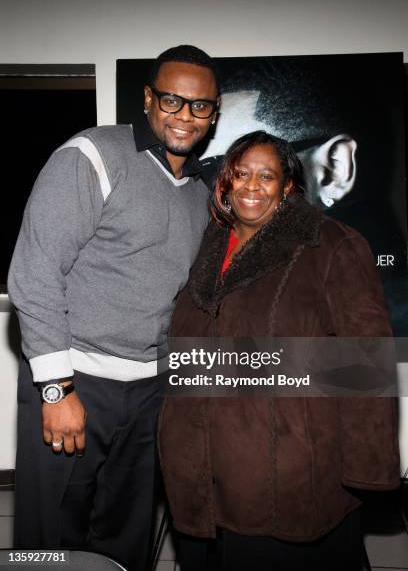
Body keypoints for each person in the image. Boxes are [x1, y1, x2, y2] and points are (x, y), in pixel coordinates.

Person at [7, 44, 220, 571]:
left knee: (126, 534)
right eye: (173, 101)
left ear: (214, 115)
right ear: (148, 99)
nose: (185, 117)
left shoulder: (199, 192)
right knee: (49, 539)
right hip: (75, 382)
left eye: (200, 106)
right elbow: (34, 274)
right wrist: (56, 389)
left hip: (150, 392)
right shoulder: (92, 155)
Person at [158, 130, 400, 571]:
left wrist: (369, 469)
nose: (251, 187)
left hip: (288, 468)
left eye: (266, 176)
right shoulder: (208, 243)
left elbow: (364, 362)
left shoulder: (330, 244)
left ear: (288, 185)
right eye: (241, 175)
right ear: (225, 183)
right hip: (202, 467)